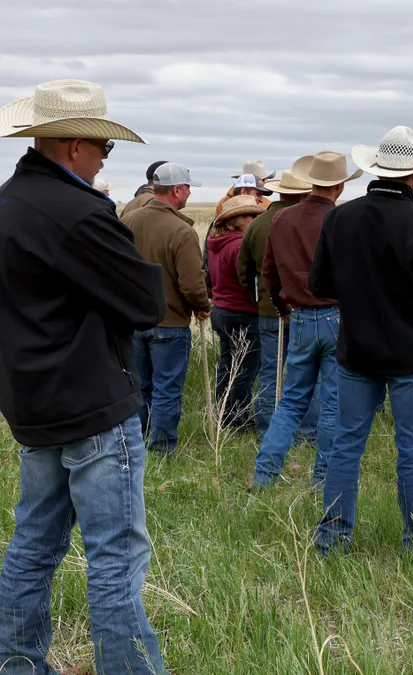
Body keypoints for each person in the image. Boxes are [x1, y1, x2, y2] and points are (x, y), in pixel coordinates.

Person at [0, 79, 167, 673]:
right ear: (75, 145)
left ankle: (17, 664)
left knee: (32, 548)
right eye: (103, 149)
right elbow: (147, 303)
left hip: (32, 403)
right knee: (115, 557)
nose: (103, 160)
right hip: (93, 401)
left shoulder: (9, 202)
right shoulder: (79, 213)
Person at [311, 126, 413, 554]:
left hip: (356, 351)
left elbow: (319, 282)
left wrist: (361, 292)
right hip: (412, 354)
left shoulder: (340, 218)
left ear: (376, 168)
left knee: (346, 446)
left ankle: (334, 538)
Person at [251, 151, 361, 488]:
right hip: (336, 317)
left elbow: (268, 272)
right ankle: (322, 479)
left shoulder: (281, 219)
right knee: (332, 403)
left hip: (299, 317)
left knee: (291, 400)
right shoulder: (344, 220)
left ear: (312, 181)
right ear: (340, 186)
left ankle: (264, 473)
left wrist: (285, 309)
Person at [123, 161, 210, 454]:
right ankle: (160, 450)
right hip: (170, 323)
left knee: (140, 387)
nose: (189, 194)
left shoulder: (129, 221)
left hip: (134, 321)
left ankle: (134, 443)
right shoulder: (182, 231)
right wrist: (202, 306)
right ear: (176, 190)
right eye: (187, 188)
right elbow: (192, 284)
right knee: (166, 390)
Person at [239, 166, 320, 441]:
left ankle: (267, 431)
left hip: (268, 310)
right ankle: (307, 433)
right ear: (302, 194)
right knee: (308, 375)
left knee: (270, 373)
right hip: (304, 309)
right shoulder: (306, 223)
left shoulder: (257, 224)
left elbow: (243, 270)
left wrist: (258, 299)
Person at [207, 195, 267, 432]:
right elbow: (248, 281)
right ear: (236, 220)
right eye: (250, 216)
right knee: (246, 369)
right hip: (243, 312)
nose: (253, 220)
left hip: (221, 310)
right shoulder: (239, 244)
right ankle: (240, 419)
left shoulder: (216, 243)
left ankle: (223, 413)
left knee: (227, 365)